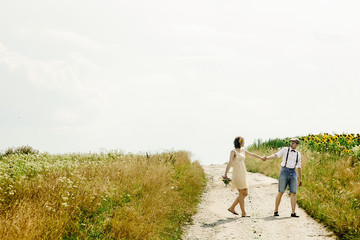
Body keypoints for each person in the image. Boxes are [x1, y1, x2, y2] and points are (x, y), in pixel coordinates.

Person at [223, 136, 265, 217]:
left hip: (243, 173)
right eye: (243, 142)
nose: (244, 143)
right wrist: (225, 174)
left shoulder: (243, 151)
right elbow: (230, 163)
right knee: (242, 193)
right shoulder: (233, 151)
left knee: (245, 193)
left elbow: (252, 154)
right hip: (237, 173)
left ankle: (232, 208)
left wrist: (261, 158)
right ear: (239, 142)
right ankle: (243, 213)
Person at [264, 138, 302, 217]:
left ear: (297, 145)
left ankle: (293, 212)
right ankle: (276, 210)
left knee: (293, 192)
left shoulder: (298, 154)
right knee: (281, 191)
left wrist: (300, 178)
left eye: (293, 143)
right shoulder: (285, 150)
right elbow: (276, 155)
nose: (291, 144)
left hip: (293, 172)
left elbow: (299, 167)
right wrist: (267, 158)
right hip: (284, 171)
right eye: (291, 142)